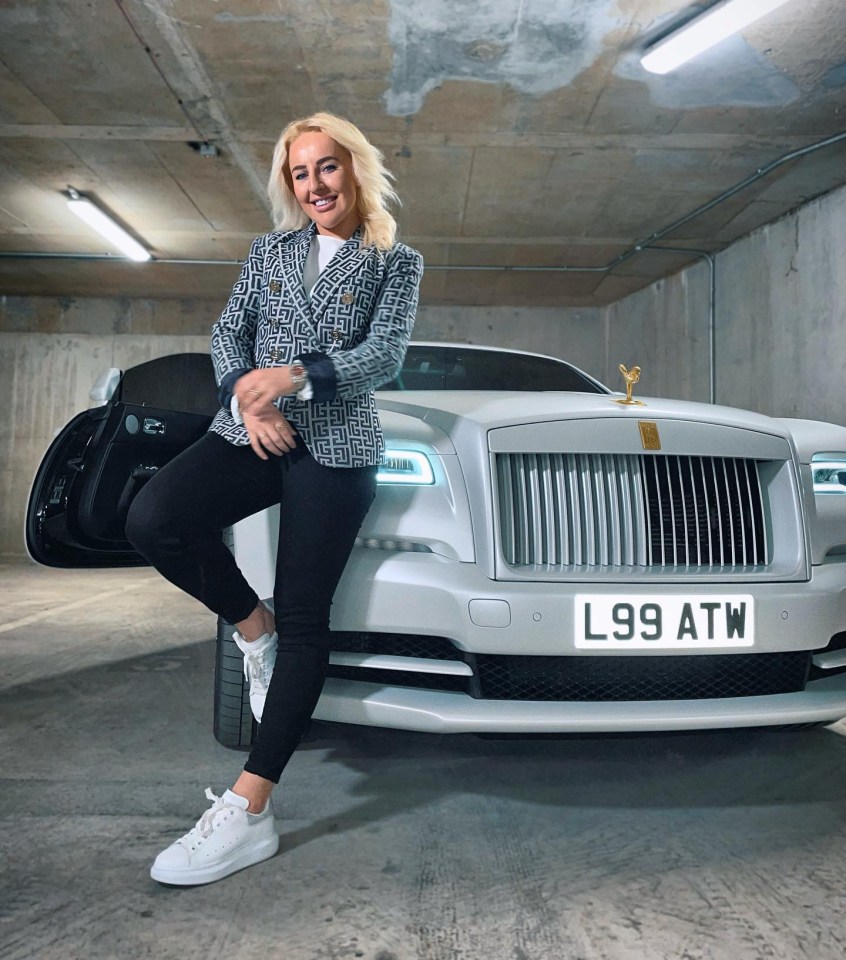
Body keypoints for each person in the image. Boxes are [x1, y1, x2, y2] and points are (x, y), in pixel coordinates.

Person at [125, 112, 423, 886]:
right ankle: (249, 629)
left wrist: (291, 378)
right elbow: (230, 334)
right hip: (251, 432)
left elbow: (381, 356)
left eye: (328, 167)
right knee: (154, 519)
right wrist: (248, 401)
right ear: (288, 184)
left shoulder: (394, 260)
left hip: (339, 445)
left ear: (354, 169)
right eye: (300, 172)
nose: (315, 184)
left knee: (305, 611)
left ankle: (249, 810)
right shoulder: (269, 252)